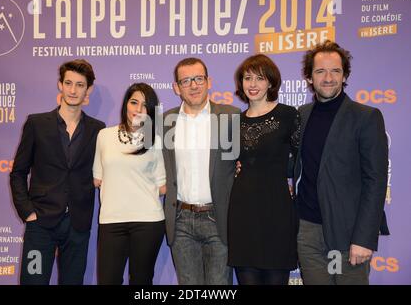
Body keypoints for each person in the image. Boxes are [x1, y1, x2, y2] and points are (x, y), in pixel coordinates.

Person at [294, 40, 389, 285]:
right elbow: (293, 164)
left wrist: (364, 238)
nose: (328, 78)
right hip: (308, 232)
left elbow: (376, 181)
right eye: (320, 71)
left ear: (344, 75)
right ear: (309, 77)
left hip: (349, 234)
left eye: (335, 71)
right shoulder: (300, 116)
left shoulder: (366, 117)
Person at [10, 59, 105, 285]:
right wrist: (28, 213)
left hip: (78, 225)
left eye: (80, 85)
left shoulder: (98, 129)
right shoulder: (36, 124)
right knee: (33, 281)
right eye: (68, 83)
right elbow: (18, 172)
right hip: (41, 224)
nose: (73, 90)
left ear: (88, 89)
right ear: (60, 85)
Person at [162, 57, 240, 285]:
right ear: (176, 87)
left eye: (198, 78)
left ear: (209, 81)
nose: (193, 85)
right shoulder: (167, 121)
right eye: (186, 81)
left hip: (219, 217)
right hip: (181, 220)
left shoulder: (230, 117)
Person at [227, 54, 300, 285]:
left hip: (276, 211)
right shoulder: (233, 122)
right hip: (242, 214)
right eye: (247, 78)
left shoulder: (289, 115)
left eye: (259, 78)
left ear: (270, 82)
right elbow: (226, 164)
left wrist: (292, 183)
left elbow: (302, 160)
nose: (253, 84)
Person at [93, 83, 166, 285]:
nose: (138, 109)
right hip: (111, 221)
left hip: (148, 222)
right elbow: (97, 179)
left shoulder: (156, 140)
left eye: (144, 105)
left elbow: (162, 186)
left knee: (142, 282)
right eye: (134, 102)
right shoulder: (104, 136)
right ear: (126, 104)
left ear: (151, 111)